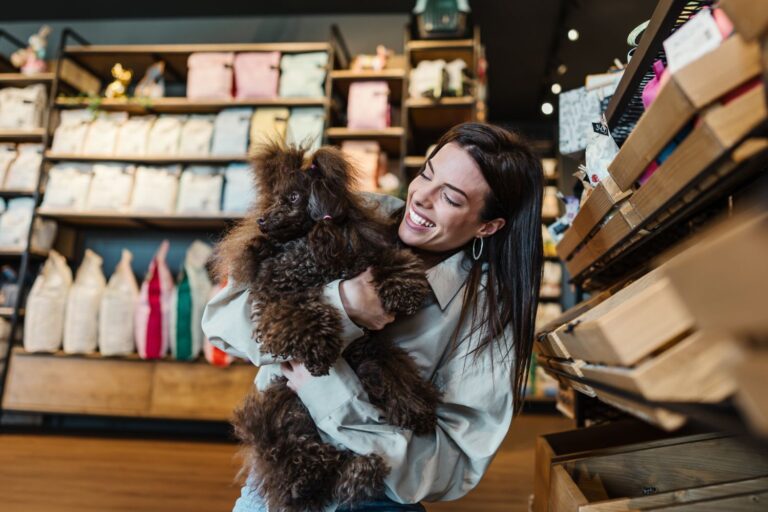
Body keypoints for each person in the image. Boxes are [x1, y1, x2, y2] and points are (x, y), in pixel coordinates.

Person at [202, 122, 543, 511]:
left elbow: (453, 465)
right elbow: (221, 322)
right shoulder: (347, 214)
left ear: (488, 225)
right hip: (272, 485)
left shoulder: (485, 314)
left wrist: (326, 391)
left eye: (450, 198)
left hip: (372, 498)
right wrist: (343, 307)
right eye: (426, 174)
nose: (422, 199)